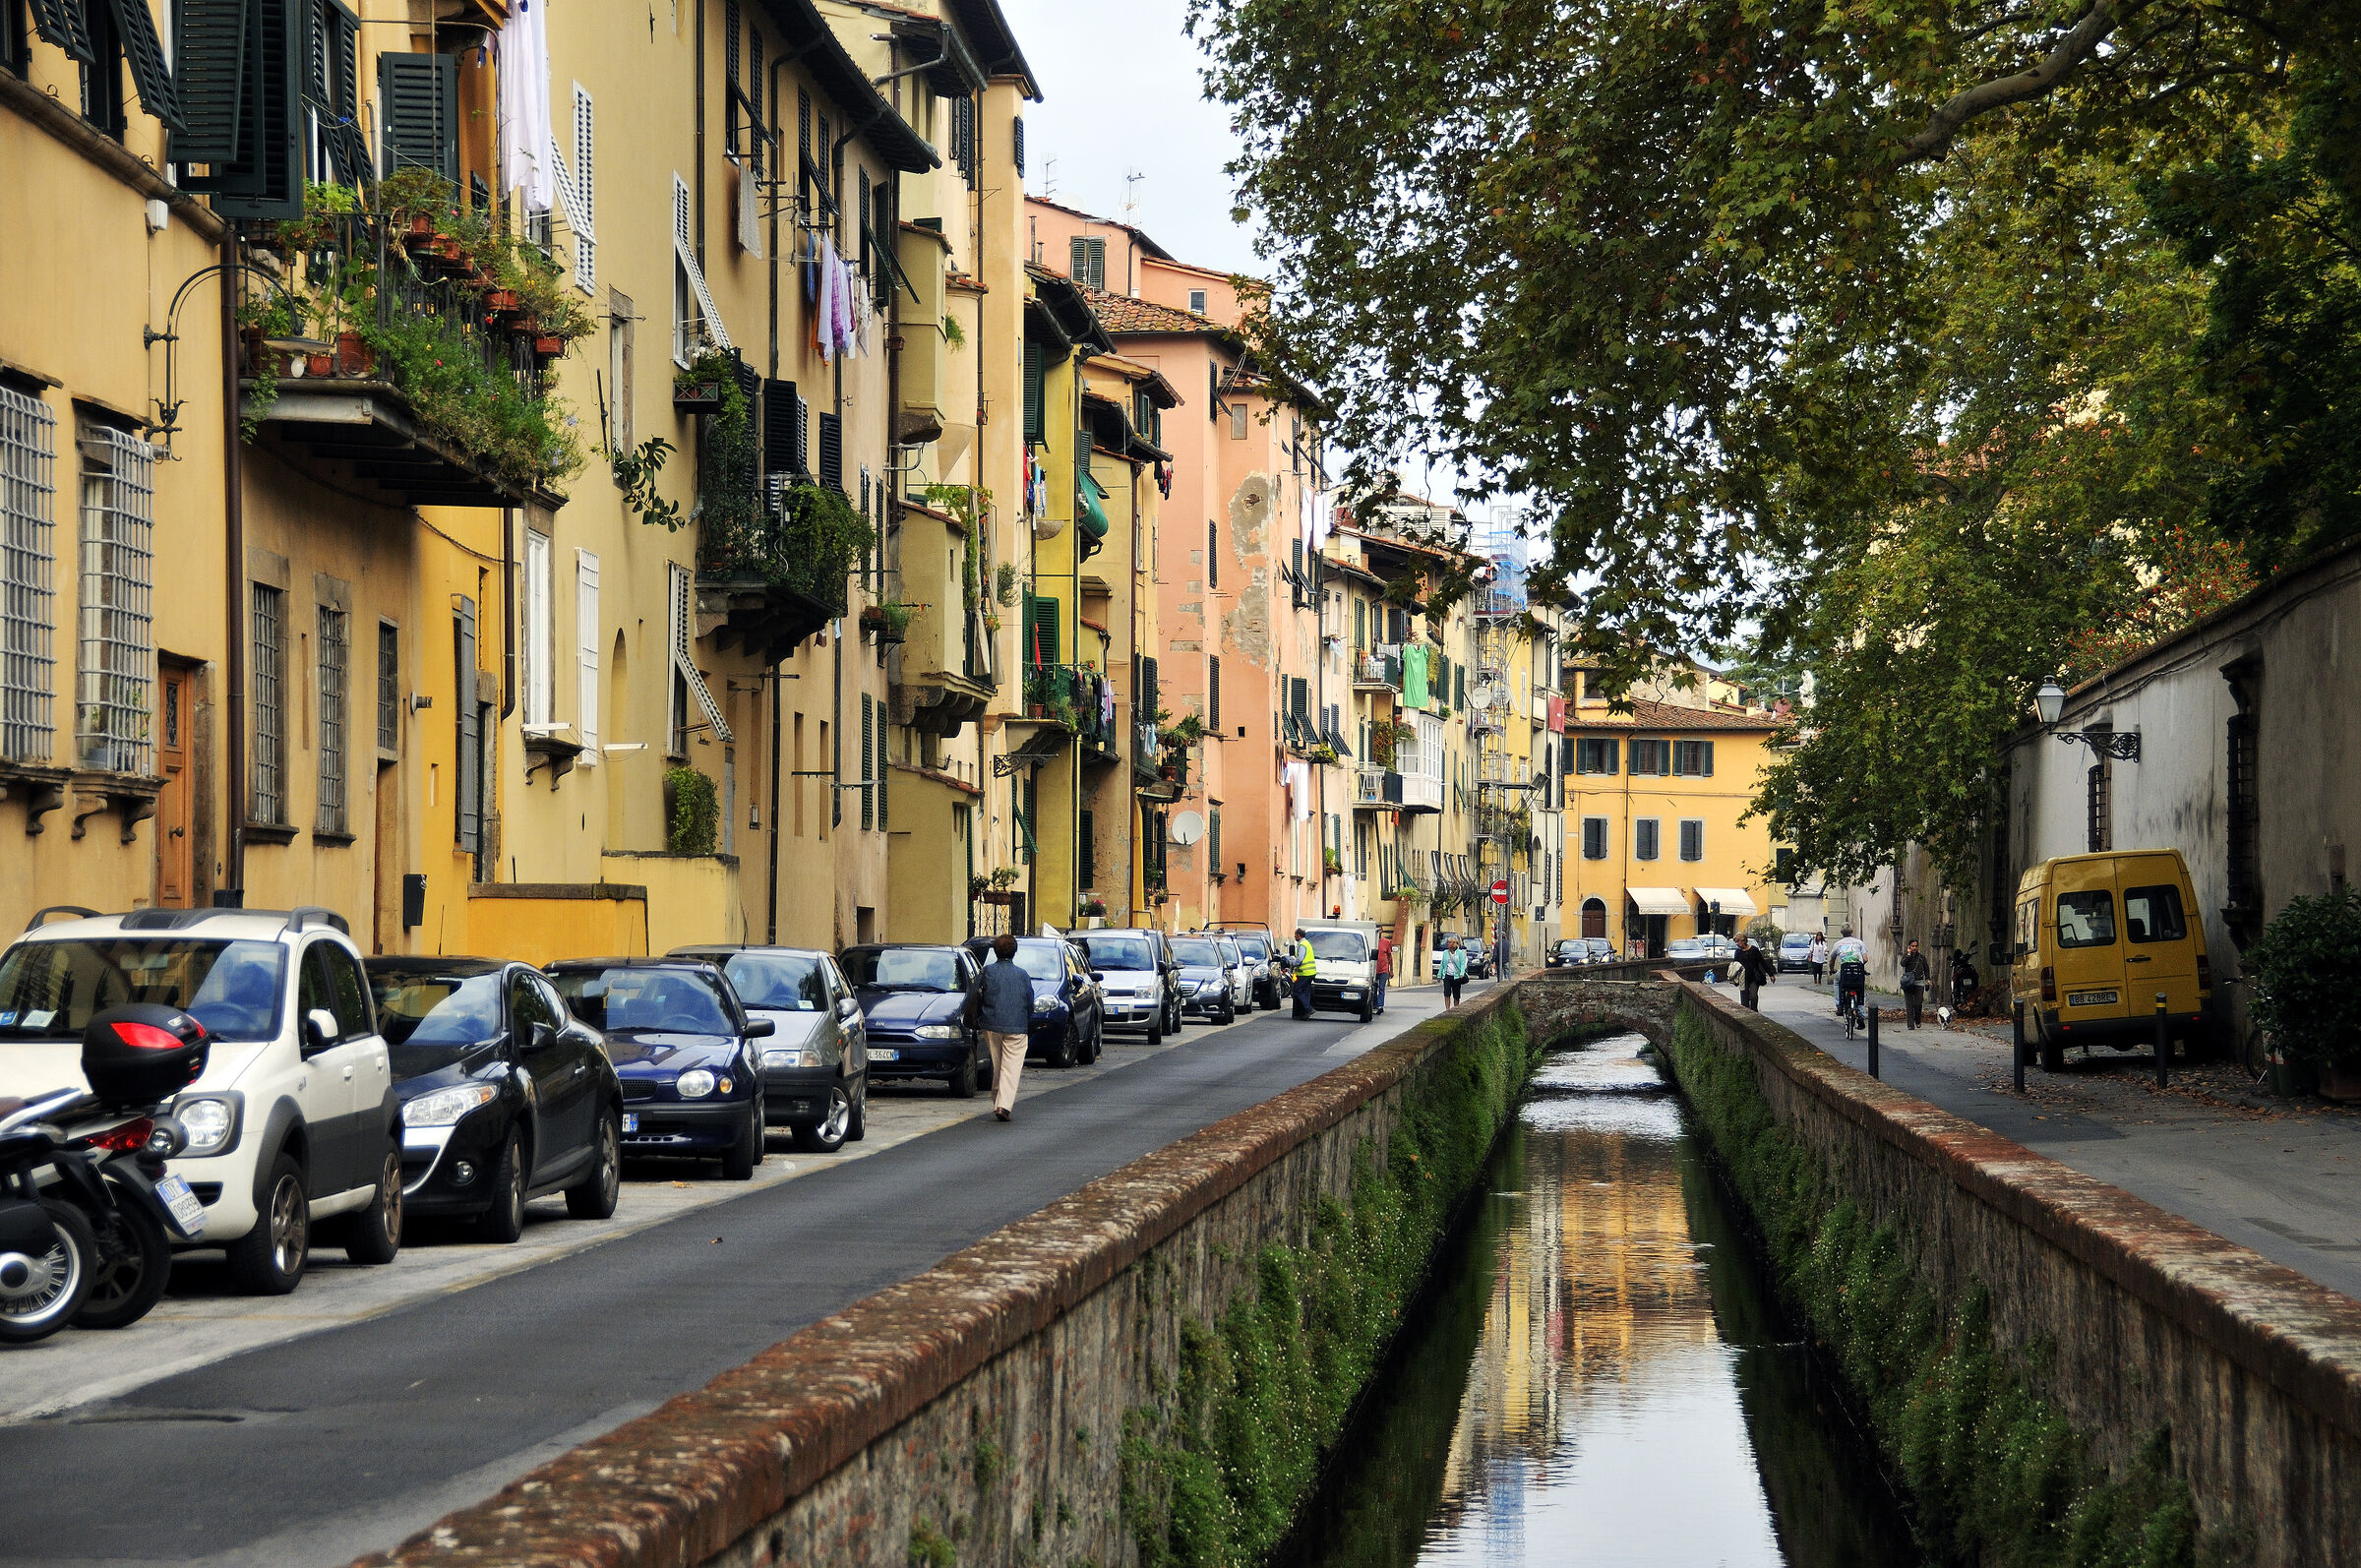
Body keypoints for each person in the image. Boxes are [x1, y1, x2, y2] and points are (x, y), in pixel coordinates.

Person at [972, 933, 1035, 1121]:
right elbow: (1029, 1001)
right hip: (1017, 1025)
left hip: (991, 1024)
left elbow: (975, 993)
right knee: (1011, 1067)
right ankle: (1003, 1105)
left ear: (995, 951)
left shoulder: (987, 971)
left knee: (998, 1065)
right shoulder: (1023, 975)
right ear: (1015, 952)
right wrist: (1027, 1017)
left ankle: (997, 1099)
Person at [1830, 928, 1868, 1023]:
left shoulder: (1838, 944)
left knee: (1837, 982)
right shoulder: (1859, 943)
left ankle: (1839, 1005)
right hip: (1857, 971)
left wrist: (1831, 970)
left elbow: (1831, 960)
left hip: (1844, 972)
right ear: (1852, 932)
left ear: (1841, 933)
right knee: (1860, 988)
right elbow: (1866, 959)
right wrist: (1859, 965)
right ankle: (1861, 1013)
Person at [1735, 936, 1776, 1011]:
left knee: (1753, 996)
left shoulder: (1754, 950)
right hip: (1743, 977)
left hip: (1754, 977)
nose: (1737, 944)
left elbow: (1762, 962)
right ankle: (1746, 1014)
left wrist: (1771, 974)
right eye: (1736, 942)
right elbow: (1735, 965)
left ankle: (1754, 1011)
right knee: (1744, 999)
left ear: (1743, 941)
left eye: (1738, 942)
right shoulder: (1738, 952)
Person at [1900, 938, 1930, 1029]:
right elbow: (1903, 964)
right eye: (1912, 946)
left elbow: (1926, 968)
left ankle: (1918, 1020)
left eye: (1916, 946)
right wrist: (1908, 955)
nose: (1914, 948)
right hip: (1908, 983)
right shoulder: (1906, 956)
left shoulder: (1921, 957)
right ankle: (1910, 1025)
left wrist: (1928, 979)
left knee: (1918, 1003)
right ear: (1909, 946)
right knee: (1909, 1004)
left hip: (1919, 982)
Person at [1291, 929, 1317, 1019]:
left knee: (1297, 991)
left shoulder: (1302, 945)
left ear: (1298, 935)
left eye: (1295, 935)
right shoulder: (1307, 943)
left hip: (1304, 973)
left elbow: (1300, 959)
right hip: (1311, 973)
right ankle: (1305, 1013)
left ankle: (1308, 1009)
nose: (1294, 937)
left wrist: (1292, 964)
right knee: (1305, 992)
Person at [1440, 937, 1468, 1008]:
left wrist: (1462, 973)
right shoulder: (1445, 953)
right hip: (1447, 976)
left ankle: (1455, 1008)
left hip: (1456, 977)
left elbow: (1462, 964)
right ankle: (1447, 1010)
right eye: (1448, 942)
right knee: (1447, 994)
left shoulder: (1459, 953)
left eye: (1449, 942)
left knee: (1456, 995)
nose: (1448, 944)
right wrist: (1439, 975)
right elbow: (1442, 964)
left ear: (1454, 944)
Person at [1373, 932, 1394, 1014]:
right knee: (1374, 988)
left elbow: (1390, 957)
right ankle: (1374, 1005)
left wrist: (1391, 970)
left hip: (1383, 969)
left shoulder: (1386, 942)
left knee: (1381, 988)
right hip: (1373, 970)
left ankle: (1380, 1006)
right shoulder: (1371, 940)